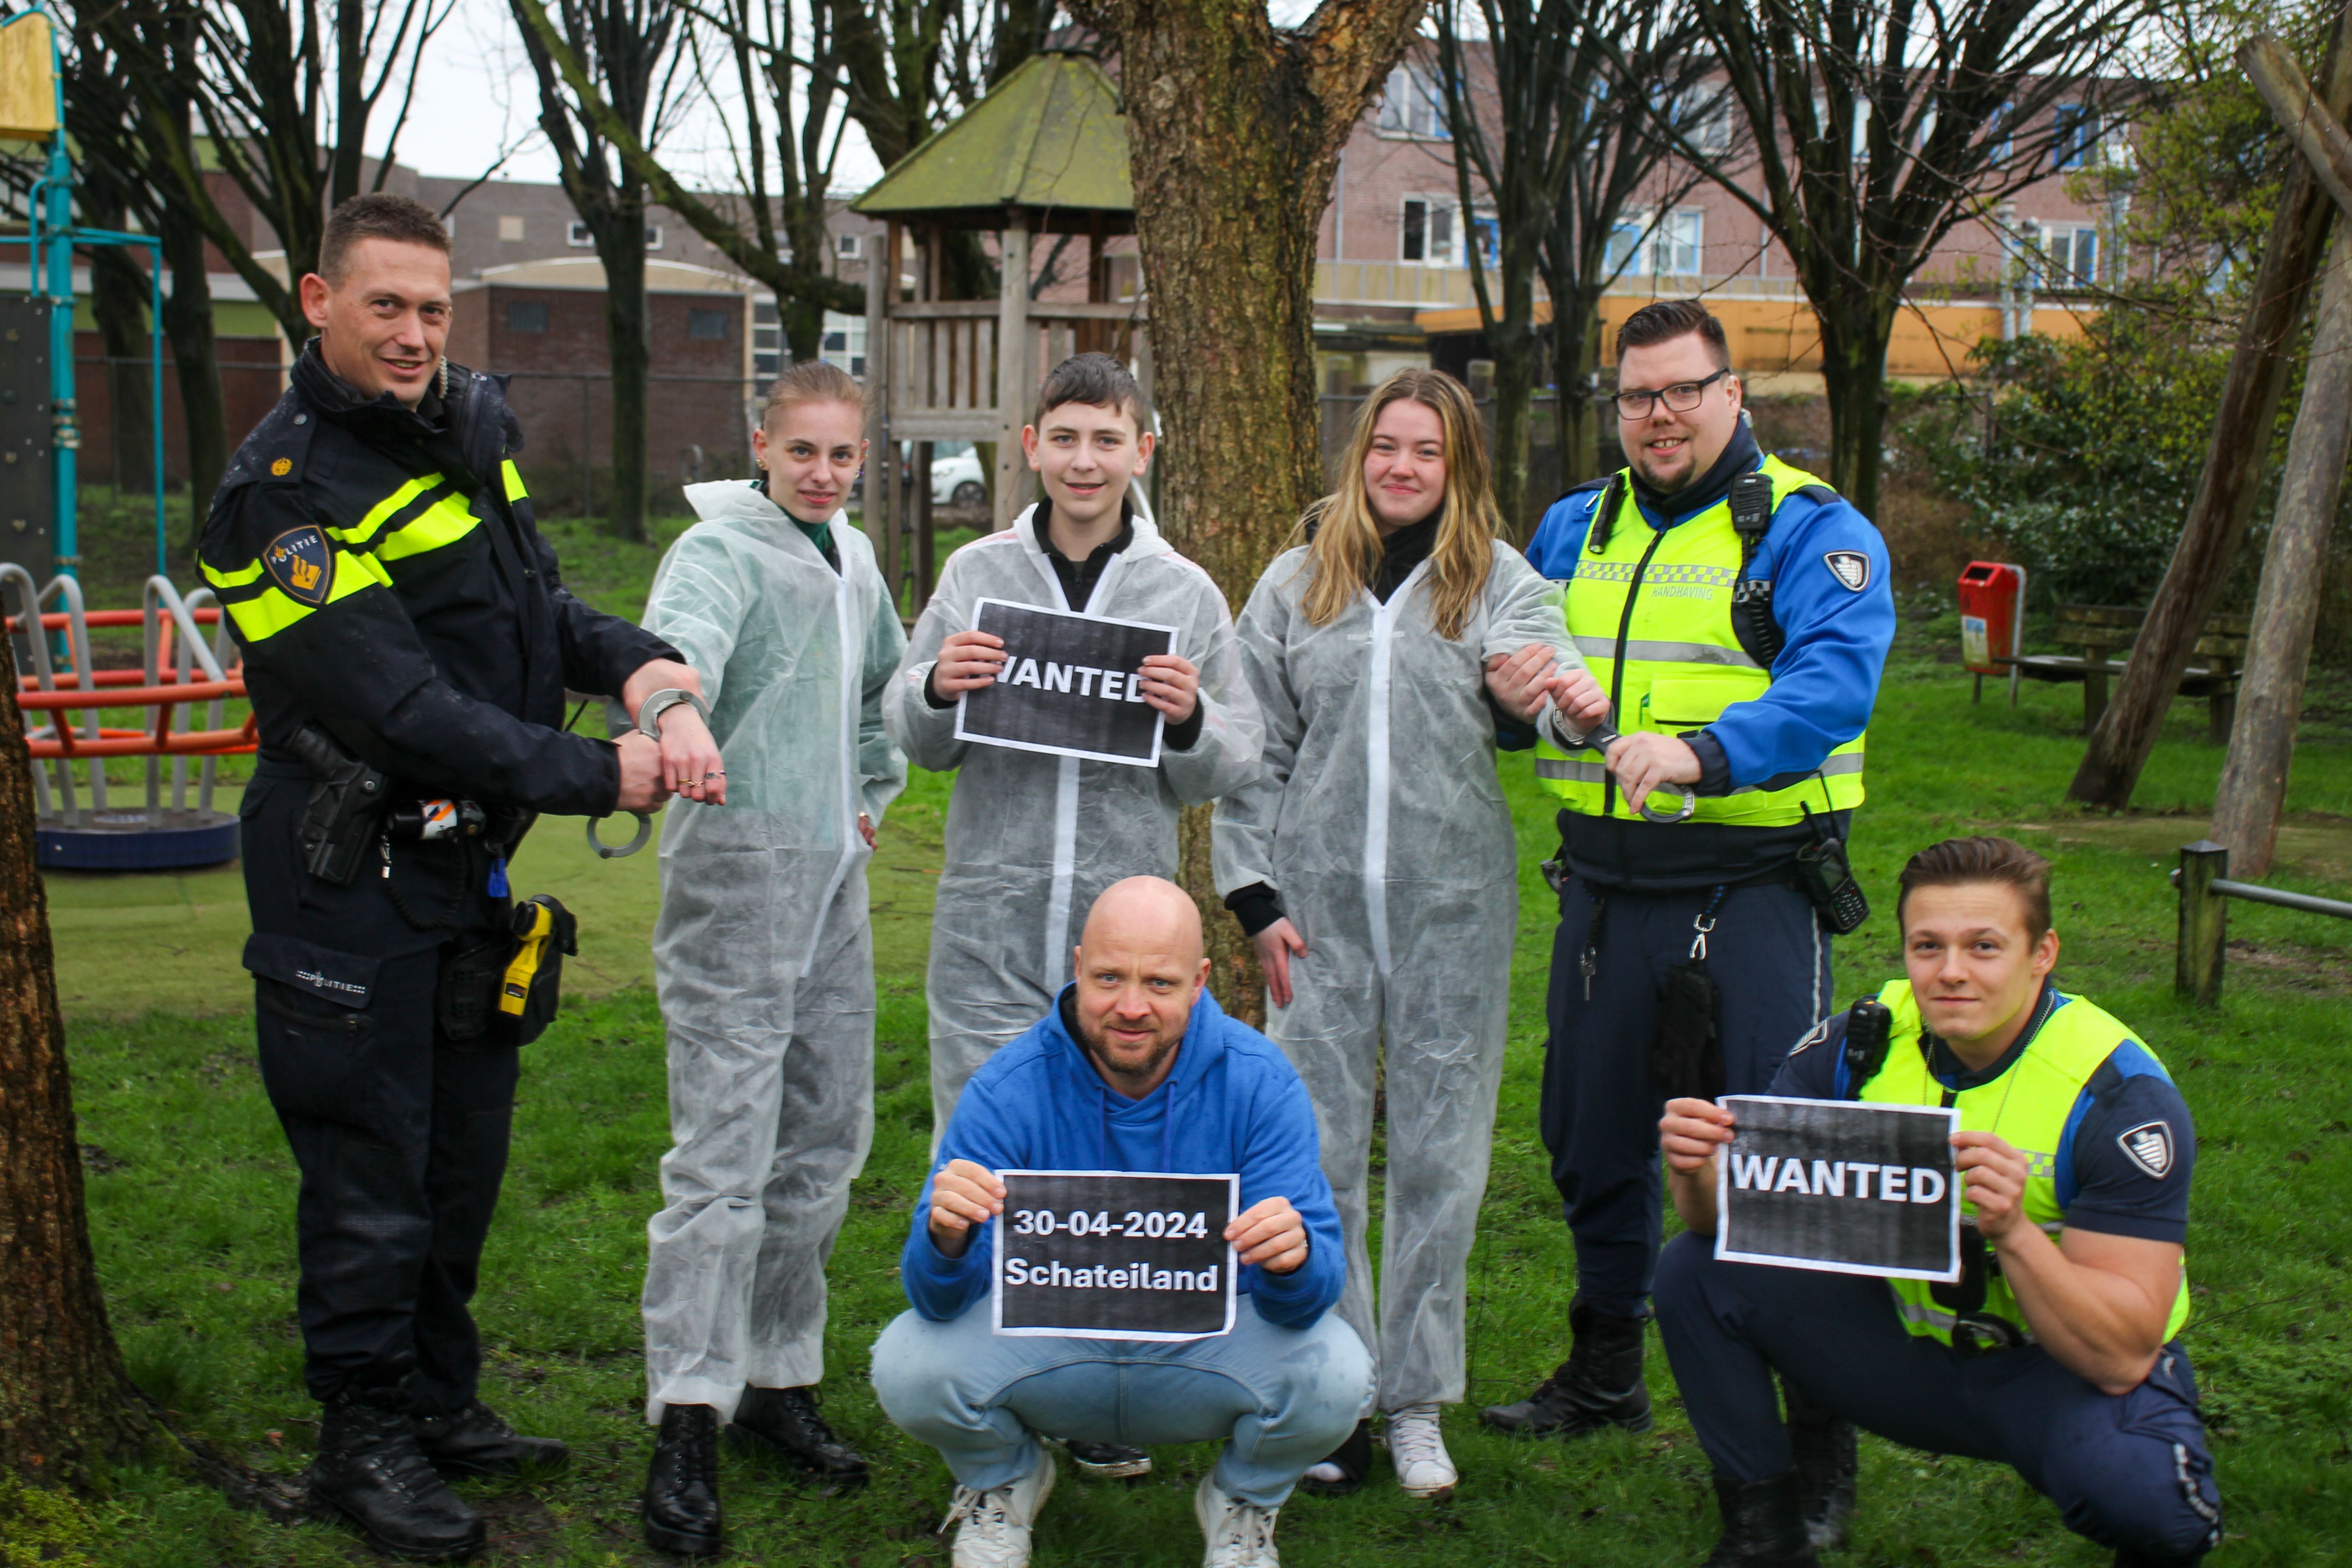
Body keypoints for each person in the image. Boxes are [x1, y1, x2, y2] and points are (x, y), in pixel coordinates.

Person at [197, 194, 713, 1562]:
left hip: (462, 865)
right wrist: (596, 770)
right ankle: (360, 1438)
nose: (418, 333)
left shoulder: (461, 431)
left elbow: (529, 608)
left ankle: (437, 1400)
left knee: (460, 1155)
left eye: (434, 308)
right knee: (371, 1171)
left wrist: (644, 664)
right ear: (318, 301)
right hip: (344, 872)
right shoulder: (278, 502)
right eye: (388, 306)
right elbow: (401, 707)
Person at [1481, 301, 1895, 1480]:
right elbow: (1515, 679)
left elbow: (1832, 685)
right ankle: (1607, 1370)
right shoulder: (1571, 528)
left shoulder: (1810, 530)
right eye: (1636, 398)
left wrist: (1702, 755)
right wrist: (1503, 704)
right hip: (1606, 894)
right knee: (1592, 1139)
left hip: (1753, 890)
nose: (1658, 418)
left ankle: (1814, 1433)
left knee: (1771, 1156)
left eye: (1682, 391)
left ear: (1732, 394)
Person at [1211, 368, 1601, 1500]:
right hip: (1314, 917)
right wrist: (1255, 898)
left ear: (1458, 465)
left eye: (1427, 452)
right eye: (1386, 445)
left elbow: (1549, 681)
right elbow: (1251, 750)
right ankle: (1333, 1391)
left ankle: (1416, 1398)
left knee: (1442, 1158)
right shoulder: (1295, 584)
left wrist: (1552, 695)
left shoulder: (1498, 581)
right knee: (1316, 1157)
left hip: (1452, 909)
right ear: (1360, 452)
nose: (1401, 468)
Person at [886, 353, 1262, 1480]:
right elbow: (912, 731)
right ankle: (991, 1401)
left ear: (1142, 451)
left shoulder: (1183, 593)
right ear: (1030, 445)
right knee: (987, 1154)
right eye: (1066, 438)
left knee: (1105, 1161)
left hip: (1122, 945)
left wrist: (1192, 718)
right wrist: (942, 687)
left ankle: (1101, 1392)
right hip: (989, 921)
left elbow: (1233, 759)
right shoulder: (977, 572)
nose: (1085, 460)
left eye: (1108, 439)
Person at [1652, 837, 2220, 1567]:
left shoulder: (2118, 1097)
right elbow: (1731, 1229)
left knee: (2153, 1510)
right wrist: (1698, 1172)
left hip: (2052, 1371)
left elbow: (2119, 1356)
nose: (1951, 973)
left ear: (2042, 953)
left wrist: (2014, 1233)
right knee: (1694, 1270)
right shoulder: (1858, 1044)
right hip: (1904, 1351)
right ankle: (1765, 1536)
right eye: (1928, 947)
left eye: (1984, 946)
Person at [870, 877, 1367, 1568]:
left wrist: (1295, 1257)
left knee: (1339, 1373)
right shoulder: (1007, 1086)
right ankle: (1004, 1480)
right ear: (1077, 968)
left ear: (1199, 981)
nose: (1131, 1008)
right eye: (1109, 978)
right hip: (1051, 1350)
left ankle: (1244, 1500)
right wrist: (945, 1238)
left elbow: (1312, 1299)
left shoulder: (1261, 1082)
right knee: (906, 1364)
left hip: (1206, 1355)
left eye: (1159, 984)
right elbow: (935, 1299)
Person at [631, 362, 909, 1557]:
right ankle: (687, 1414)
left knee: (823, 1138)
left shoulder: (852, 558)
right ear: (762, 442)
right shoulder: (720, 552)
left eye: (842, 455)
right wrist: (674, 713)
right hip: (736, 890)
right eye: (802, 451)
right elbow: (671, 656)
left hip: (832, 889)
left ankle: (776, 1380)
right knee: (723, 1155)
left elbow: (879, 702)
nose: (823, 473)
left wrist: (866, 802)